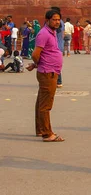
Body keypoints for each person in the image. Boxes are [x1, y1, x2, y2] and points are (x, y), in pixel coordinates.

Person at [25, 9, 65, 142]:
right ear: (47, 20)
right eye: (54, 19)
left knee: (41, 102)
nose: (57, 22)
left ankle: (40, 129)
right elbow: (36, 54)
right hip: (48, 72)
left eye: (58, 19)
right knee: (46, 104)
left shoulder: (51, 32)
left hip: (49, 71)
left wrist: (36, 65)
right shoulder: (44, 34)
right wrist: (39, 64)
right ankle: (47, 134)